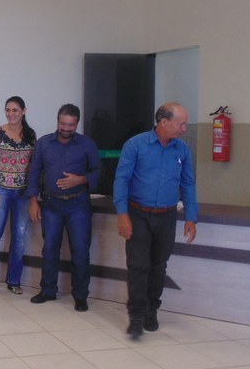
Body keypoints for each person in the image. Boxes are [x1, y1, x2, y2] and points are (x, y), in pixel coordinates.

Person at [114, 102, 197, 338]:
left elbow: (188, 184)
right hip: (138, 214)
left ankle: (151, 310)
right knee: (138, 266)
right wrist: (122, 215)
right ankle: (136, 316)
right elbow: (121, 180)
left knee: (158, 266)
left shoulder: (182, 149)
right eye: (181, 124)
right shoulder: (136, 145)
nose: (184, 129)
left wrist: (191, 217)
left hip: (167, 216)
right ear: (163, 121)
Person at [26, 104, 101, 312]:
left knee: (80, 251)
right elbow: (34, 172)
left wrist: (80, 179)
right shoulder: (43, 143)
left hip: (78, 205)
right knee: (50, 249)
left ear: (77, 124)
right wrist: (33, 201)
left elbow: (98, 172)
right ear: (57, 121)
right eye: (63, 124)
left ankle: (80, 296)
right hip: (51, 204)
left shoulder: (87, 144)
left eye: (71, 125)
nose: (66, 128)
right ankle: (48, 290)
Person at [0, 97, 36, 296]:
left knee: (20, 236)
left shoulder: (30, 135)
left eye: (15, 110)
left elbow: (34, 166)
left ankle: (14, 280)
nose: (11, 114)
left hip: (23, 193)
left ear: (23, 111)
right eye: (8, 110)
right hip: (1, 190)